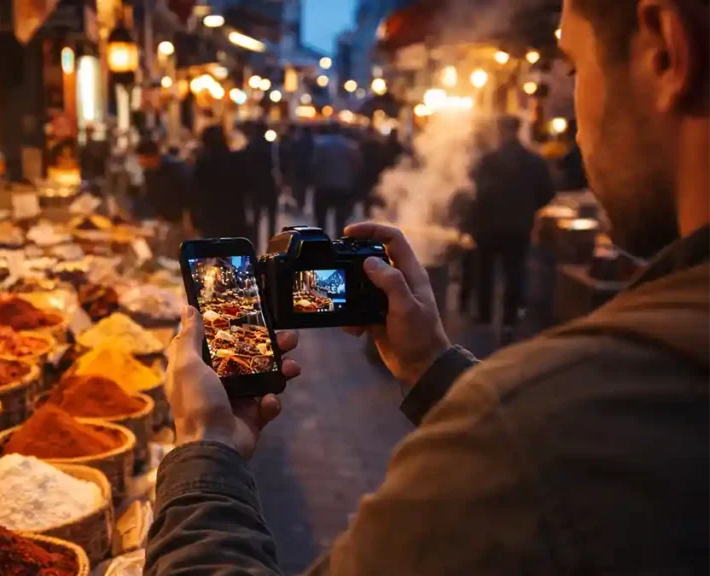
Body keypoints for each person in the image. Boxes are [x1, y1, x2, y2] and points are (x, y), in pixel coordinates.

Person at [146, 0, 710, 573]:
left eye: (574, 68)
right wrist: (433, 368)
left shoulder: (537, 427)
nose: (576, 113)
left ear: (665, 49)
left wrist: (203, 448)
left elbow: (549, 458)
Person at [471, 116, 555, 338]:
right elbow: (548, 192)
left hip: (488, 226)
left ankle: (484, 316)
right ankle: (509, 320)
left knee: (486, 271)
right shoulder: (534, 161)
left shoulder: (488, 161)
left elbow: (476, 193)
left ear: (500, 131)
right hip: (518, 226)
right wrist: (528, 208)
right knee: (514, 272)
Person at [191, 126, 248, 239]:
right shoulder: (234, 159)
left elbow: (196, 191)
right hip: (233, 215)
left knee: (214, 252)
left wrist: (196, 219)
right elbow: (245, 185)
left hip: (210, 216)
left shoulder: (202, 161)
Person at [311, 123, 362, 237]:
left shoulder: (320, 145)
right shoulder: (350, 146)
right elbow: (357, 167)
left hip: (323, 187)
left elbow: (314, 165)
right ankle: (338, 246)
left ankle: (320, 244)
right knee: (341, 221)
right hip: (343, 188)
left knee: (320, 222)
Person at [136, 139, 192, 226]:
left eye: (141, 158)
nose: (139, 162)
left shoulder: (175, 168)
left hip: (182, 220)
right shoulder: (148, 173)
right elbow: (151, 196)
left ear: (151, 156)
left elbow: (189, 192)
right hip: (163, 220)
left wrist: (188, 218)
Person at [245, 121, 280, 244]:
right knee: (271, 219)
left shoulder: (250, 146)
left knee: (256, 218)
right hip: (268, 183)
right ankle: (271, 244)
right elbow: (275, 165)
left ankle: (255, 245)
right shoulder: (270, 146)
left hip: (255, 185)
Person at [284, 126, 315, 215]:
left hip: (299, 169)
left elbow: (292, 154)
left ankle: (300, 203)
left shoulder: (297, 141)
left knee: (299, 188)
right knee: (304, 188)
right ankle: (302, 204)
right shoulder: (313, 142)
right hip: (308, 168)